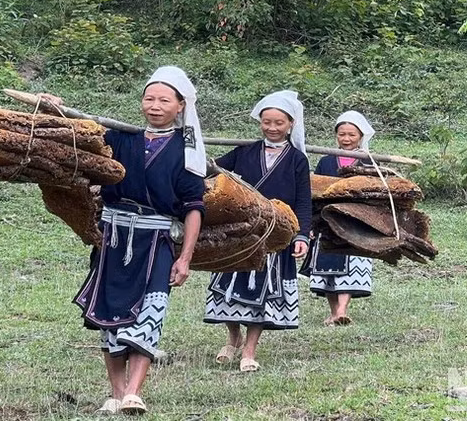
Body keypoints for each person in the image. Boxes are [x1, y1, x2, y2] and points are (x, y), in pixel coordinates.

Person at [50, 66, 206, 415]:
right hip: (113, 238)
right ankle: (117, 392)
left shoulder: (187, 151)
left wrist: (185, 258)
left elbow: (194, 208)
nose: (155, 106)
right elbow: (77, 134)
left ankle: (135, 392)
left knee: (151, 310)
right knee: (110, 313)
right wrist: (54, 108)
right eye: (149, 98)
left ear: (180, 106)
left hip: (156, 240)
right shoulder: (121, 139)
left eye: (164, 100)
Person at [203, 90, 311, 372]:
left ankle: (250, 349)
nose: (272, 128)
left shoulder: (298, 160)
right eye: (267, 122)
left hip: (275, 233)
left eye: (279, 123)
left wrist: (301, 235)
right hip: (240, 232)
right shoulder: (244, 152)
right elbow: (210, 169)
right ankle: (233, 338)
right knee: (227, 287)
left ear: (291, 124)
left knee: (262, 292)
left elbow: (303, 200)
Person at [299, 110, 375, 326]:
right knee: (326, 268)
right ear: (336, 136)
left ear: (361, 136)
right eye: (342, 134)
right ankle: (334, 312)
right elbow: (315, 191)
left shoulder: (368, 163)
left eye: (352, 135)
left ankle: (342, 310)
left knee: (351, 265)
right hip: (327, 221)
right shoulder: (326, 161)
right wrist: (311, 222)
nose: (346, 139)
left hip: (355, 223)